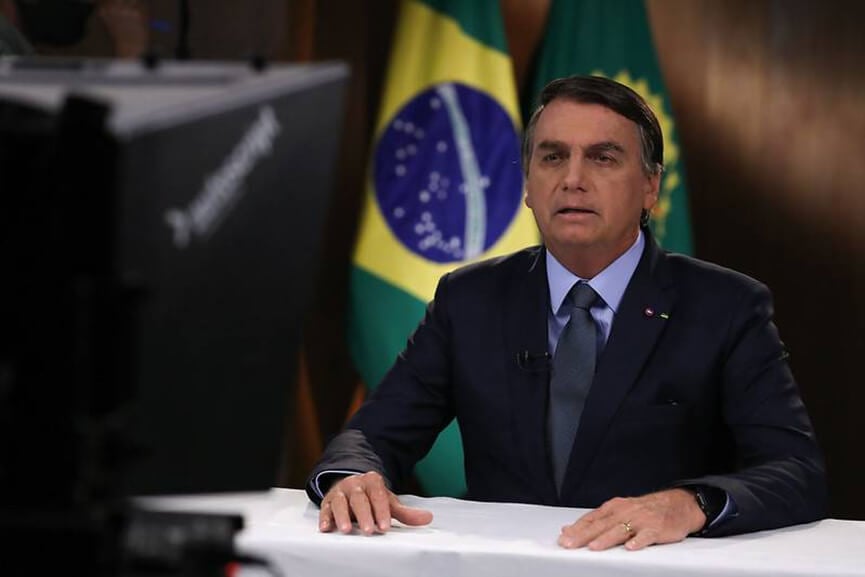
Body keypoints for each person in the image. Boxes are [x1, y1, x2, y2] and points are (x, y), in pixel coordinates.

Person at [306, 75, 827, 550]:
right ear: (528, 185)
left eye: (602, 158)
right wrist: (352, 476)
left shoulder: (727, 307)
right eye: (553, 157)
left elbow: (796, 471)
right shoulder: (471, 299)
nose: (573, 179)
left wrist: (690, 503)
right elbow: (371, 437)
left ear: (650, 186)